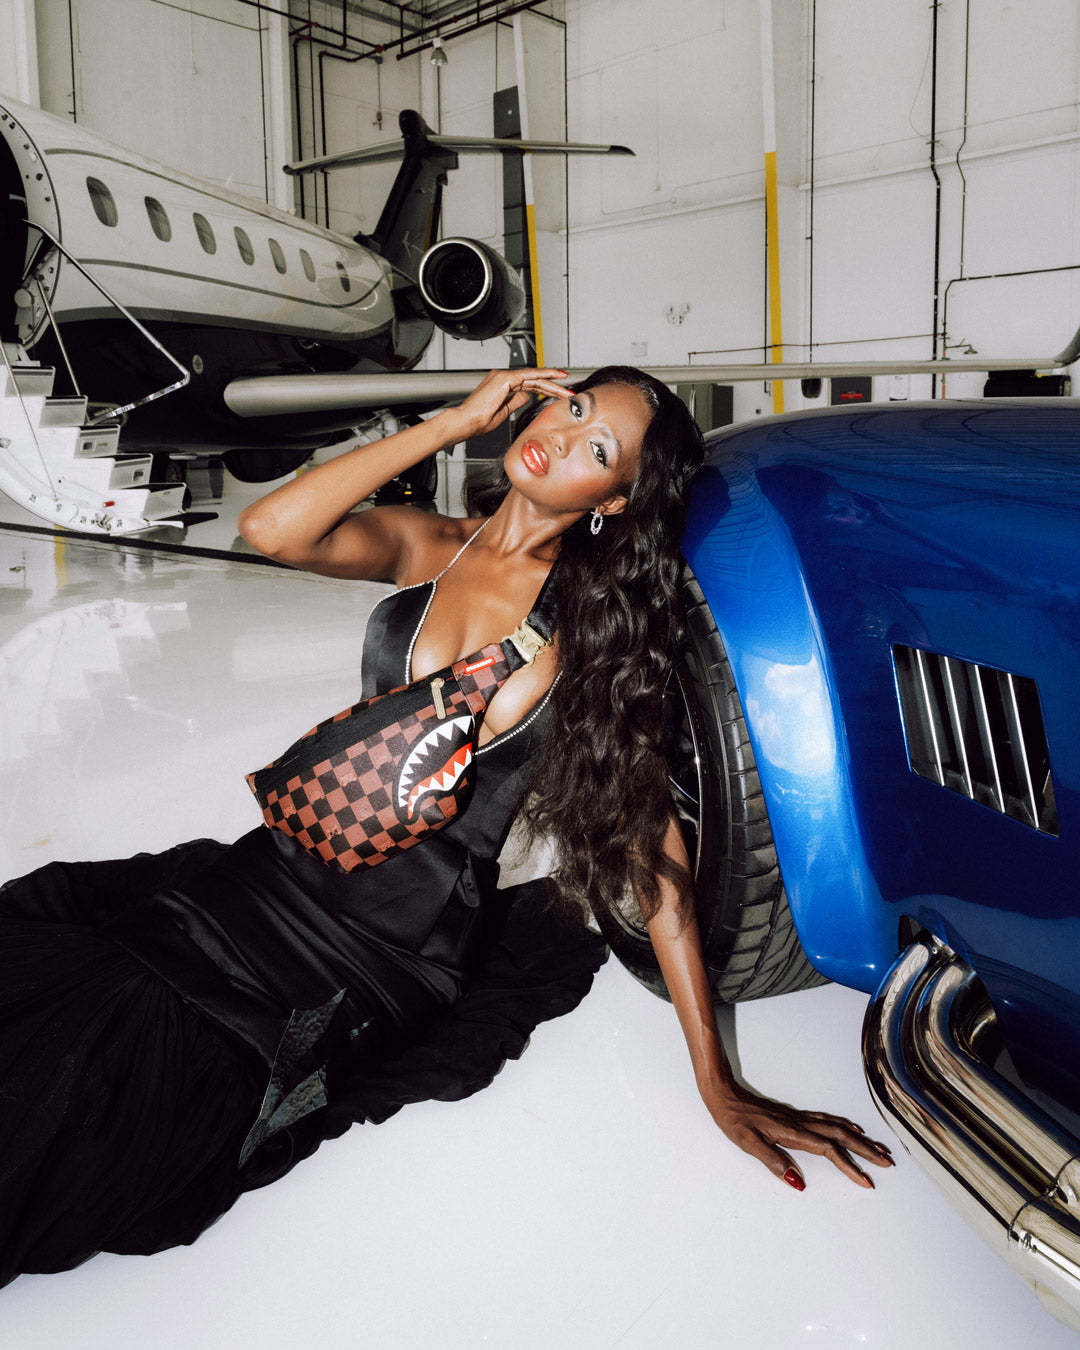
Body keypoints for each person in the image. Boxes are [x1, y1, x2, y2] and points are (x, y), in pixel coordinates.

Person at [0, 366, 892, 1287]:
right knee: (63, 1008)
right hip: (271, 874)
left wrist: (715, 1074)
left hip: (377, 956)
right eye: (573, 405)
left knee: (82, 1108)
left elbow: (649, 848)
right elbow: (270, 530)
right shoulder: (434, 544)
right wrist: (451, 422)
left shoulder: (590, 634)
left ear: (614, 500)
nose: (561, 435)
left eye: (597, 448)